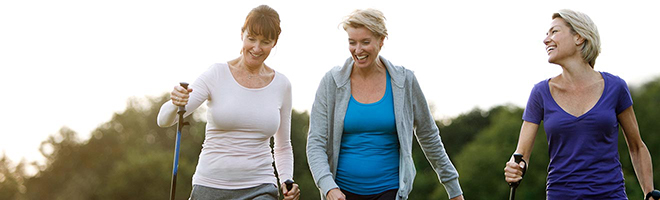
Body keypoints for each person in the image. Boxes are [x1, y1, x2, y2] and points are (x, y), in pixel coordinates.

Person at [306, 8, 465, 200]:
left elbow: (429, 135)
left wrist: (454, 189)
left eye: (365, 42)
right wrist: (329, 187)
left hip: (389, 191)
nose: (358, 50)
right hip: (341, 192)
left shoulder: (404, 81)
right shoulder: (332, 82)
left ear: (381, 41)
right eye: (352, 42)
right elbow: (315, 143)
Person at [503, 9, 655, 199]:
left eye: (554, 32)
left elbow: (637, 147)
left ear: (579, 37)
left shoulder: (616, 87)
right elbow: (521, 154)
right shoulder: (540, 93)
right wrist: (515, 167)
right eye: (546, 34)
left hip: (610, 195)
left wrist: (649, 192)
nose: (546, 40)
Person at [157, 5, 300, 200]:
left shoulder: (282, 84)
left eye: (265, 42)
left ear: (274, 42)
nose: (257, 48)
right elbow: (165, 120)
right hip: (210, 185)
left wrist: (286, 180)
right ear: (242, 34)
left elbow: (283, 145)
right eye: (251, 39)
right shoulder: (216, 74)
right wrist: (174, 102)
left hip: (260, 186)